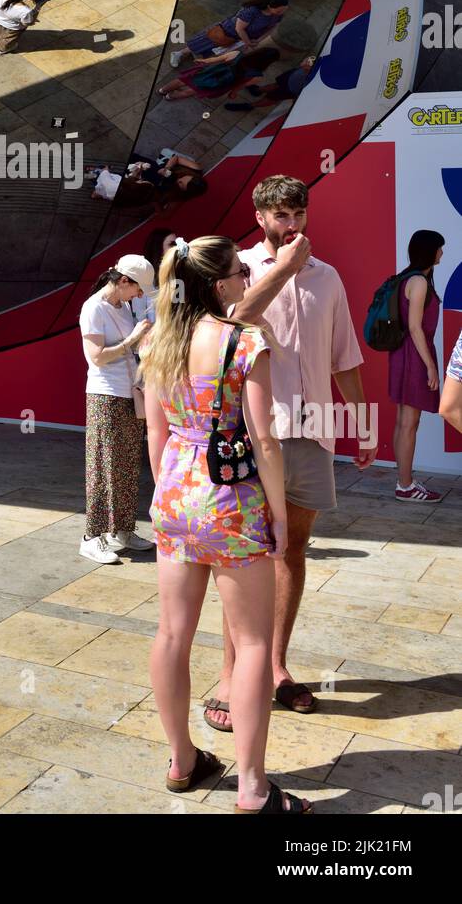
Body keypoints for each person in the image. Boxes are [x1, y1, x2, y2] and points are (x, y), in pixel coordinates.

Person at [141, 236, 309, 812]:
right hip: (232, 499)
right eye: (240, 271)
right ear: (220, 284)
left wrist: (170, 495)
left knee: (171, 633)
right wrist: (279, 514)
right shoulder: (244, 342)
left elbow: (156, 437)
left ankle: (183, 759)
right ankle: (253, 788)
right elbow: (263, 438)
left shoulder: (160, 340)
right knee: (254, 640)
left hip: (176, 494)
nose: (246, 277)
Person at [211, 175, 375, 730]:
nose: (293, 224)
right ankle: (232, 675)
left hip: (314, 429)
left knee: (293, 548)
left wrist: (361, 424)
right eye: (281, 215)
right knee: (245, 553)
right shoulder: (241, 272)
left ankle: (277, 667)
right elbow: (233, 324)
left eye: (298, 212)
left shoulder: (327, 277)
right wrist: (280, 267)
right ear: (260, 218)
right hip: (255, 433)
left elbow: (344, 356)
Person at [78, 255, 156, 565]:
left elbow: (126, 349)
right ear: (123, 281)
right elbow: (96, 357)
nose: (139, 295)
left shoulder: (122, 306)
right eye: (137, 289)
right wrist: (134, 338)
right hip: (104, 394)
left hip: (129, 392)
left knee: (126, 464)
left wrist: (141, 343)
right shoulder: (93, 307)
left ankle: (123, 529)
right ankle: (91, 536)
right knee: (102, 465)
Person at [389, 230, 445, 503]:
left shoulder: (405, 278)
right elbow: (414, 327)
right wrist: (431, 366)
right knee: (410, 423)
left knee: (403, 421)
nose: (442, 253)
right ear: (430, 251)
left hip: (403, 354)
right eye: (439, 248)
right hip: (414, 356)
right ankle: (405, 485)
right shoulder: (419, 282)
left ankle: (404, 479)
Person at [166, 0, 290, 74]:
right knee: (205, 42)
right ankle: (179, 53)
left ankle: (201, 63)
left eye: (284, 10)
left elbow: (272, 27)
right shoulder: (252, 11)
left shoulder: (277, 15)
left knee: (219, 52)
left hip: (243, 39)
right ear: (269, 6)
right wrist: (247, 41)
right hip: (228, 32)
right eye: (279, 10)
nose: (281, 13)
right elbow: (239, 28)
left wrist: (258, 40)